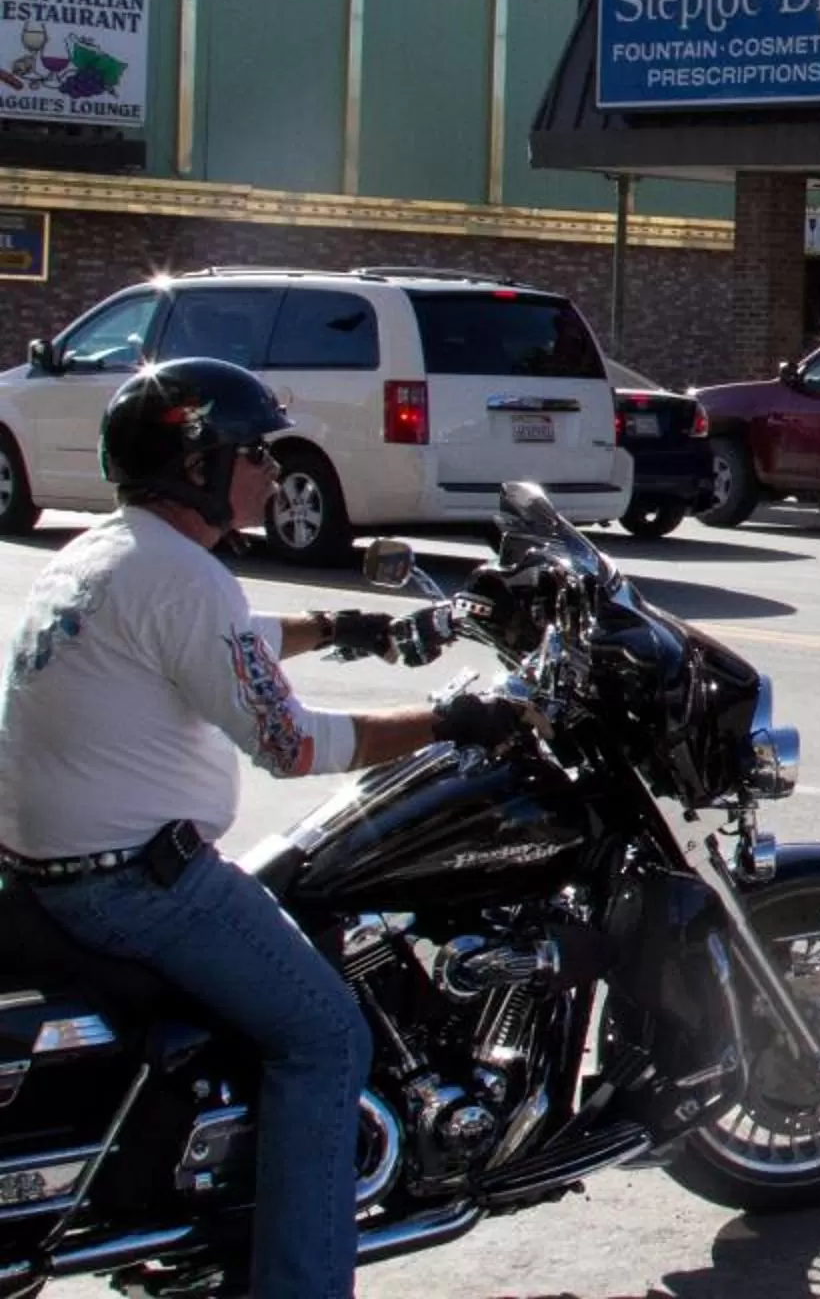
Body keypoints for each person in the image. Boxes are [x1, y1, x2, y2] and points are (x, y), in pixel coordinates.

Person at [0, 357, 528, 1298]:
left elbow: (208, 638)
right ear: (196, 464)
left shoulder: (106, 551)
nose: (269, 473)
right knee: (326, 1037)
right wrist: (451, 723)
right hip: (136, 888)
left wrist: (335, 627)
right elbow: (290, 744)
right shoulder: (183, 580)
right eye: (252, 453)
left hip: (49, 869)